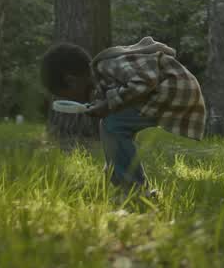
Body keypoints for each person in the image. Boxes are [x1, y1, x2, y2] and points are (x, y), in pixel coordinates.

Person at [40, 37, 207, 192]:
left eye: (67, 95)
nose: (73, 99)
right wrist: (105, 104)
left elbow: (145, 80)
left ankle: (134, 189)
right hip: (164, 92)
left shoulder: (108, 66)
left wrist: (108, 104)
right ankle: (118, 176)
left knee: (114, 125)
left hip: (174, 88)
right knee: (110, 123)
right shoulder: (102, 78)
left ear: (71, 81)